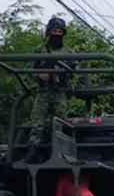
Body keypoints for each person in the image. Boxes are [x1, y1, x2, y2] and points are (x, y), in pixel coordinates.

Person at [25, 17, 76, 163]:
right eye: (54, 31)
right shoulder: (40, 50)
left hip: (60, 91)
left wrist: (62, 72)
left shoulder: (69, 52)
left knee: (60, 121)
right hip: (43, 90)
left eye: (60, 31)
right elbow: (29, 68)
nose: (57, 34)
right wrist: (39, 75)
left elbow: (73, 71)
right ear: (49, 32)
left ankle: (60, 150)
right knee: (37, 121)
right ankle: (33, 149)